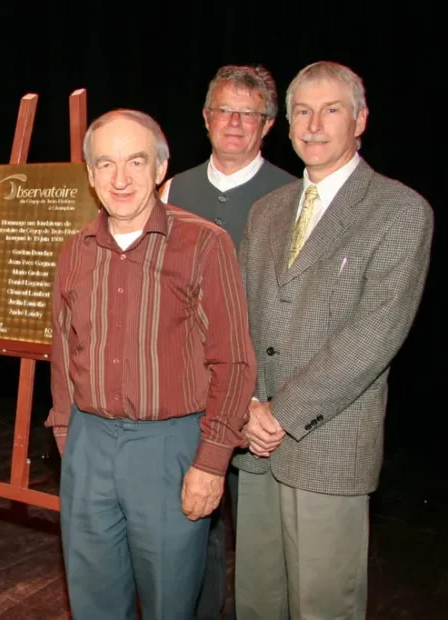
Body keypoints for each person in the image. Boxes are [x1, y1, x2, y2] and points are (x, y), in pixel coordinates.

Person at [233, 61, 434, 620]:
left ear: (360, 120)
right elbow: (238, 319)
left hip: (328, 447)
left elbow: (374, 335)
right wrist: (246, 404)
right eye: (302, 111)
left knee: (322, 607)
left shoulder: (400, 211)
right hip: (255, 444)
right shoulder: (267, 211)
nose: (314, 125)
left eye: (331, 110)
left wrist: (279, 412)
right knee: (256, 603)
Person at [47, 108, 256, 620]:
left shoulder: (204, 244)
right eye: (106, 163)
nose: (120, 178)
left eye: (136, 162)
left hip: (169, 449)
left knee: (169, 603)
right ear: (90, 174)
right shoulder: (74, 251)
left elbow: (233, 361)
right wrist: (68, 437)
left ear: (161, 168)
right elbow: (63, 350)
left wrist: (210, 462)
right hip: (89, 446)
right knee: (93, 605)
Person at [158, 64, 295, 620]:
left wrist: (264, 398)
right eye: (224, 111)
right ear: (206, 117)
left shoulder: (292, 194)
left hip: (264, 402)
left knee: (264, 550)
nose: (234, 123)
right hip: (190, 395)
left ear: (268, 125)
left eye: (248, 113)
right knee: (197, 532)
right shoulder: (172, 189)